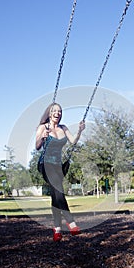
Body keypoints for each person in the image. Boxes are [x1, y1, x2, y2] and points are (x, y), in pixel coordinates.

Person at [36, 103, 85, 242]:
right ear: (49, 113)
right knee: (58, 191)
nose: (57, 113)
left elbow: (73, 141)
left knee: (56, 194)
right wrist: (42, 136)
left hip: (58, 165)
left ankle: (57, 229)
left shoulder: (64, 128)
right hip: (45, 164)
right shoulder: (43, 127)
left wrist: (80, 131)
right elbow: (37, 146)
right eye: (55, 111)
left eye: (60, 111)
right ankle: (71, 222)